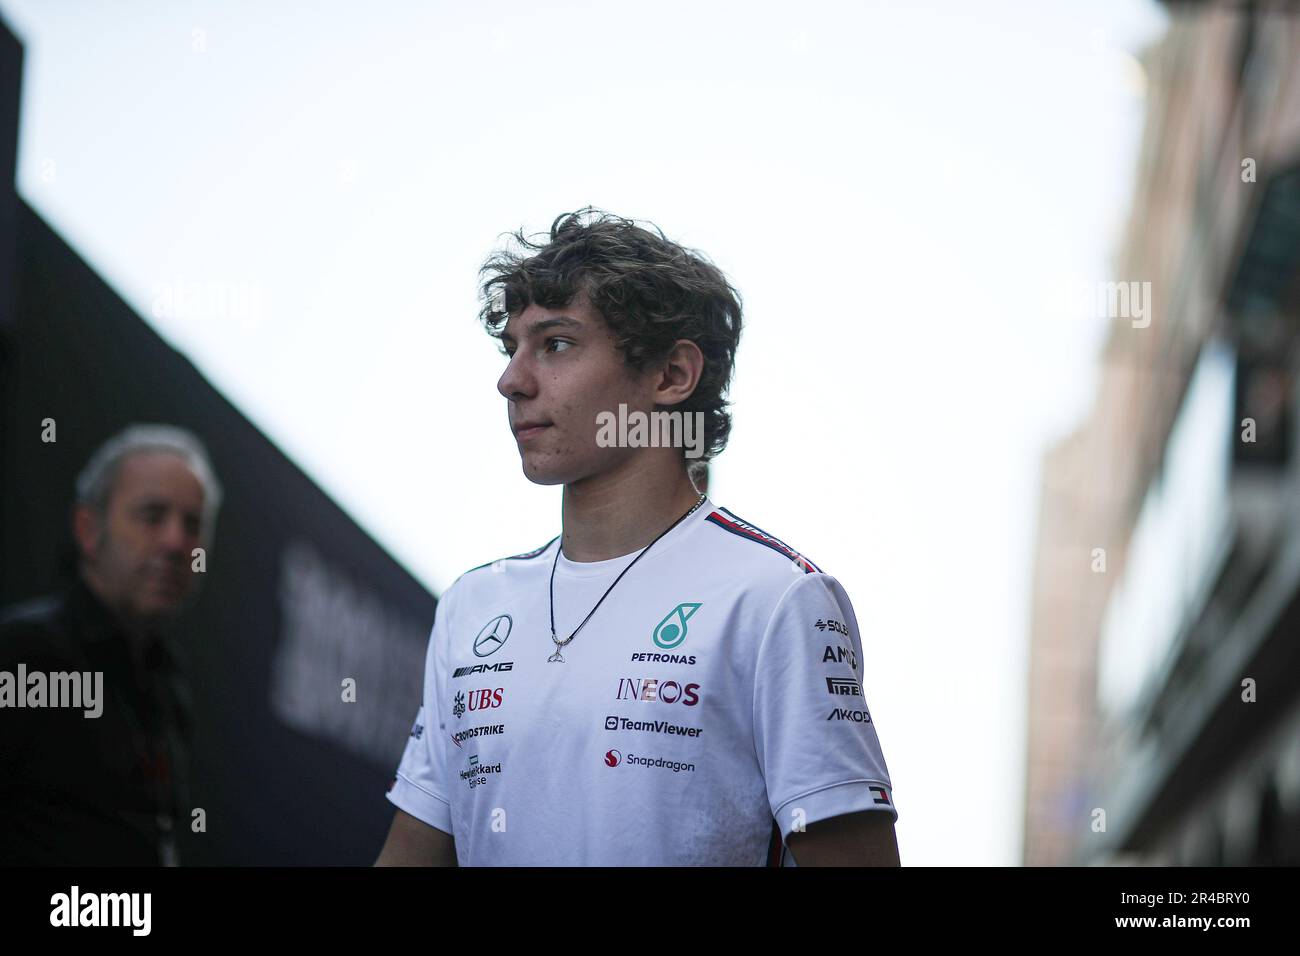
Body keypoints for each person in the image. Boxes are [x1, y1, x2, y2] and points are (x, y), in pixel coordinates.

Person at [375, 208, 899, 866]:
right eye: (513, 348)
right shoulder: (471, 606)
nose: (511, 380)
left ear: (671, 376)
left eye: (556, 344)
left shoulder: (774, 599)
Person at [0, 424, 221, 865]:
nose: (177, 543)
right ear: (88, 527)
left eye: (192, 525)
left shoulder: (170, 690)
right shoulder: (23, 653)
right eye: (153, 515)